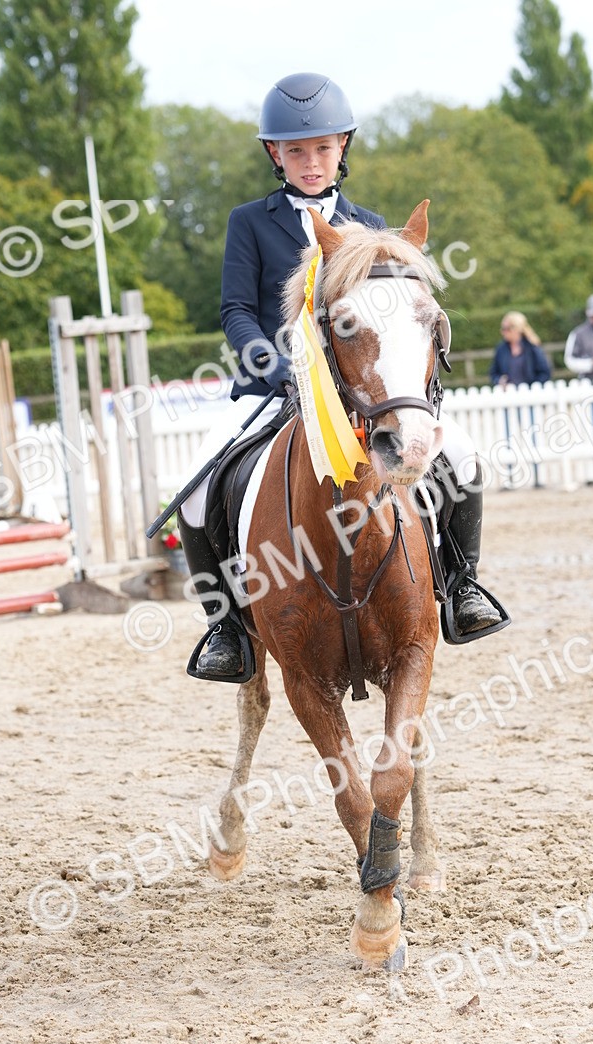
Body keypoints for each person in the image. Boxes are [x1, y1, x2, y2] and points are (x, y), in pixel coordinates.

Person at [177, 72, 503, 681]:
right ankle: (227, 627)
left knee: (459, 453)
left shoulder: (368, 222)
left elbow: (389, 315)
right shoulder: (248, 222)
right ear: (275, 154)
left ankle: (462, 585)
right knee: (195, 486)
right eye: (296, 150)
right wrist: (270, 366)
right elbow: (235, 312)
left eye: (322, 149)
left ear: (342, 149)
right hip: (271, 391)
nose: (309, 161)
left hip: (358, 395)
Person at [490, 311, 551, 388]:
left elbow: (545, 372)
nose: (502, 332)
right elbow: (493, 373)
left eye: (505, 329)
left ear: (516, 329)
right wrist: (499, 380)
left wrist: (533, 387)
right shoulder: (501, 349)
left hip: (531, 394)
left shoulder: (532, 347)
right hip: (509, 394)